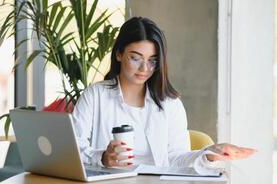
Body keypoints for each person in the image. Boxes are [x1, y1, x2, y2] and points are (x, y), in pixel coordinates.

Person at [72, 17, 256, 173]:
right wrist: (102, 157)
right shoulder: (95, 96)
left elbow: (176, 160)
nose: (144, 69)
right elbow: (72, 150)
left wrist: (209, 154)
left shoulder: (170, 103)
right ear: (119, 54)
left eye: (152, 61)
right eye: (135, 58)